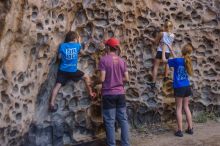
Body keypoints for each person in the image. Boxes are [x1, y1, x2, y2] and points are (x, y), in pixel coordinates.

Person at [49, 31, 96, 112]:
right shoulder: (77, 46)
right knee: (86, 77)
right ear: (75, 39)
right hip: (72, 70)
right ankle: (91, 93)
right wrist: (81, 42)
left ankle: (52, 104)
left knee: (57, 86)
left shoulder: (62, 45)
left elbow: (59, 57)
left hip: (62, 70)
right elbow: (82, 52)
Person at [98, 38, 130, 146]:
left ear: (107, 47)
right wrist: (118, 80)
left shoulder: (103, 60)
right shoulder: (122, 61)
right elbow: (127, 78)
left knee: (110, 121)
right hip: (120, 93)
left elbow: (102, 79)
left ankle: (111, 144)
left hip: (108, 94)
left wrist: (94, 81)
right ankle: (126, 144)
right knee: (123, 120)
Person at [162, 43, 194, 137]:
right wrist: (171, 50)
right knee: (186, 107)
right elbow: (177, 60)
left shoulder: (177, 61)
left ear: (182, 51)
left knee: (179, 108)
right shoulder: (187, 60)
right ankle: (190, 128)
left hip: (179, 87)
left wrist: (164, 49)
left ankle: (179, 130)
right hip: (187, 86)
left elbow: (164, 61)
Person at [145, 21, 175, 88]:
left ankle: (153, 83)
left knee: (156, 67)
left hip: (160, 51)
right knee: (167, 63)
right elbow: (170, 44)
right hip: (167, 52)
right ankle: (166, 77)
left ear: (164, 26)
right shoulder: (173, 35)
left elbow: (155, 42)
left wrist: (147, 37)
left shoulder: (162, 33)